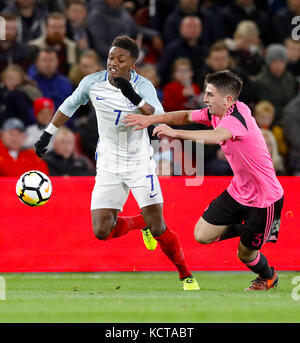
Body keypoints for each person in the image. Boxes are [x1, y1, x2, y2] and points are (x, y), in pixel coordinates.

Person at [34, 35, 199, 291]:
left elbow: (158, 116)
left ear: (132, 65)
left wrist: (133, 96)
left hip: (139, 162)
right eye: (111, 57)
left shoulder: (143, 86)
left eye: (121, 59)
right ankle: (138, 222)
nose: (113, 63)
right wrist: (48, 134)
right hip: (109, 162)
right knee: (101, 231)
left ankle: (185, 274)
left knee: (158, 227)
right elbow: (70, 104)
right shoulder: (93, 82)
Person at [124, 70, 284, 291]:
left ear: (227, 99)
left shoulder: (238, 118)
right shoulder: (217, 113)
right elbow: (186, 116)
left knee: (245, 254)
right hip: (239, 192)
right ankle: (252, 230)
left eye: (209, 94)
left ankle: (268, 277)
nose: (204, 99)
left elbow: (217, 136)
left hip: (264, 199)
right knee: (202, 235)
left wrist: (176, 134)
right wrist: (151, 119)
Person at [28, 12, 77, 76]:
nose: (57, 30)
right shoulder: (34, 47)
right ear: (47, 28)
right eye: (53, 27)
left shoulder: (72, 47)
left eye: (61, 27)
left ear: (65, 29)